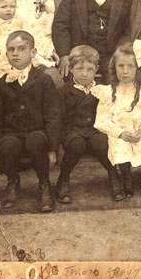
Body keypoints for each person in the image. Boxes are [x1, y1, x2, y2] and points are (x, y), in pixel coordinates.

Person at [0, 31, 62, 213]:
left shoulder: (44, 80)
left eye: (21, 49)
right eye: (11, 49)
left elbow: (53, 115)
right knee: (7, 146)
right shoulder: (0, 84)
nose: (15, 53)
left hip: (37, 131)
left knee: (34, 141)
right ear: (6, 54)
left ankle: (44, 184)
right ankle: (13, 180)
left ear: (33, 52)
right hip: (12, 132)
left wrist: (53, 148)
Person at [56, 46, 121, 202]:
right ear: (71, 69)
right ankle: (63, 179)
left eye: (89, 69)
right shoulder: (63, 91)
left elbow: (109, 113)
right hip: (73, 130)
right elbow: (59, 119)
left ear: (96, 69)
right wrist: (57, 144)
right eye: (79, 69)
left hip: (94, 128)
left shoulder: (102, 89)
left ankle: (114, 176)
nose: (84, 74)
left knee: (101, 143)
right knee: (76, 144)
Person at [93, 43, 141, 198]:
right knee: (119, 146)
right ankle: (126, 177)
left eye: (130, 66)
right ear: (114, 67)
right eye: (120, 66)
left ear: (138, 68)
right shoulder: (109, 92)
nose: (125, 71)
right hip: (120, 132)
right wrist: (120, 133)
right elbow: (101, 120)